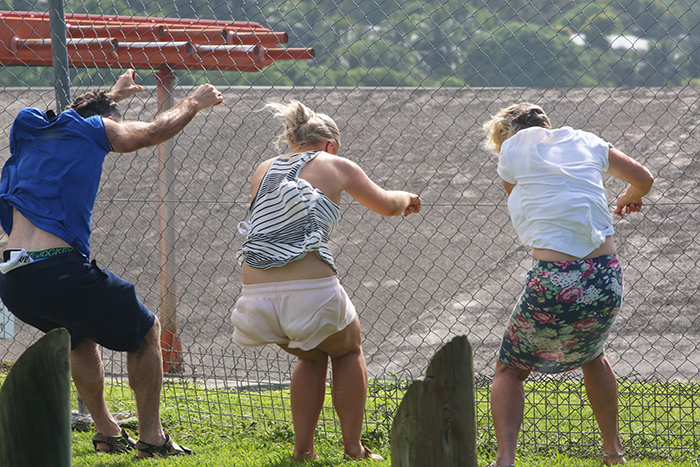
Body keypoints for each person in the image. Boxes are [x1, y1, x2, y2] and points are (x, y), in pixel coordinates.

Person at [0, 70, 223, 458]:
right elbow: (152, 132)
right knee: (146, 330)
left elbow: (78, 117)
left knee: (76, 334)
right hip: (60, 270)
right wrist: (192, 103)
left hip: (14, 278)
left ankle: (106, 432)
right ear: (108, 122)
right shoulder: (98, 130)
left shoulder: (31, 130)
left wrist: (112, 95)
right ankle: (152, 438)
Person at [232, 100, 421, 461]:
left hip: (255, 294)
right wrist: (408, 198)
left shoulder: (264, 168)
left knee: (312, 355)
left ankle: (303, 450)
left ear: (291, 141)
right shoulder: (337, 164)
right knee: (348, 350)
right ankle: (353, 448)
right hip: (309, 292)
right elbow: (385, 203)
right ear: (330, 145)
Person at [482, 103, 654, 467]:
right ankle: (613, 453)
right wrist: (629, 197)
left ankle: (505, 460)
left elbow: (518, 201)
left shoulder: (512, 151)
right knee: (593, 355)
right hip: (605, 275)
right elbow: (644, 178)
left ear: (506, 135)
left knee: (510, 370)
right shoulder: (586, 141)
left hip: (555, 278)